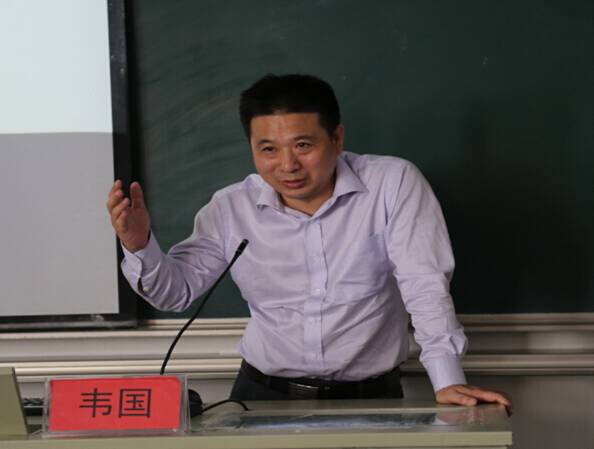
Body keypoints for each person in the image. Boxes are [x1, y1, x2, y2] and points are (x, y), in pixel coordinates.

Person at [107, 74, 511, 411]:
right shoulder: (231, 207)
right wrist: (139, 245)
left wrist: (447, 379)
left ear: (337, 138)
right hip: (260, 398)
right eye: (268, 149)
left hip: (370, 399)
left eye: (303, 145)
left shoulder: (393, 183)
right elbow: (175, 293)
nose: (288, 165)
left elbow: (424, 284)